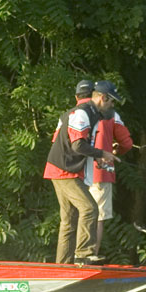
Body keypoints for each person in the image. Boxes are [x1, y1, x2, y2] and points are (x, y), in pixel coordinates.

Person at [43, 80, 122, 264]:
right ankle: (84, 255)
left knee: (69, 219)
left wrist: (97, 158)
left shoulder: (90, 114)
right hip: (64, 170)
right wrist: (102, 153)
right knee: (90, 208)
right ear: (103, 98)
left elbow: (76, 144)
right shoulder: (83, 113)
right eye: (112, 101)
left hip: (59, 168)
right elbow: (77, 144)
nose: (113, 105)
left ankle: (63, 265)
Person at [74, 81, 134, 255]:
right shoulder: (110, 114)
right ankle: (89, 258)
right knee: (97, 217)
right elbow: (127, 143)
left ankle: (70, 261)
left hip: (75, 171)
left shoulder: (74, 114)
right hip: (100, 171)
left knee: (77, 216)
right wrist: (116, 151)